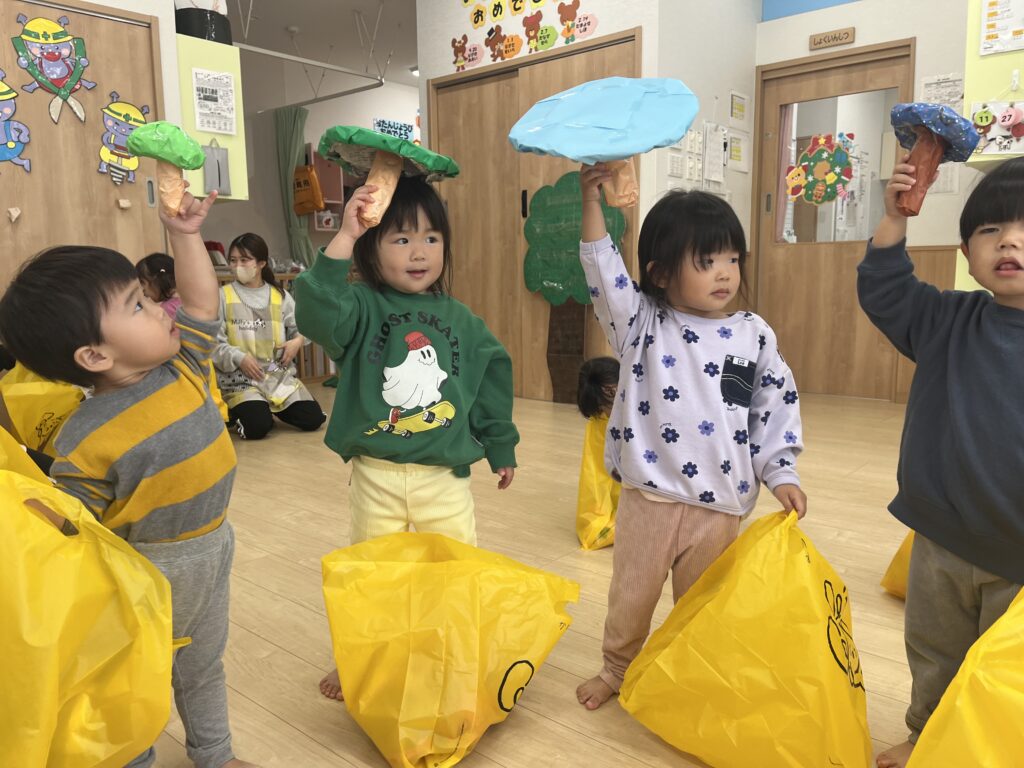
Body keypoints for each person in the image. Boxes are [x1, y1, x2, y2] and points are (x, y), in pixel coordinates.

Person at [0, 188, 258, 768]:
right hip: (147, 569)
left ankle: (215, 755)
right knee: (133, 670)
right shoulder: (85, 436)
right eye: (137, 306)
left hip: (214, 544)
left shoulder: (182, 363)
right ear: (94, 357)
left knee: (202, 663)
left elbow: (201, 303)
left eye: (146, 297)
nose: (161, 308)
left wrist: (185, 235)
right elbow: (76, 527)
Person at [574, 164, 807, 710]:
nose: (724, 273)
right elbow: (603, 271)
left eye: (731, 259)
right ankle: (616, 668)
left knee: (703, 603)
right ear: (659, 273)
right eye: (706, 262)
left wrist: (782, 471)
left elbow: (768, 407)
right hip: (650, 498)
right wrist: (591, 202)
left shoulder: (751, 335)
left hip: (720, 506)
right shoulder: (640, 323)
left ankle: (694, 672)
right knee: (631, 596)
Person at [293, 174, 519, 701]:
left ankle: (458, 652)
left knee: (457, 571)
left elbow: (491, 381)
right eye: (401, 238)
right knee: (373, 575)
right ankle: (361, 656)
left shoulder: (463, 320)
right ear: (372, 248)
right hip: (376, 475)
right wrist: (345, 235)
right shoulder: (359, 306)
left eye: (431, 238)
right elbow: (315, 311)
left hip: (444, 478)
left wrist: (500, 444)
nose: (419, 252)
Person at [859, 155, 1024, 768]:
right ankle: (925, 732)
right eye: (990, 229)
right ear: (965, 252)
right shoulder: (948, 319)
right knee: (935, 651)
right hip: (941, 539)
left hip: (1020, 554)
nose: (1009, 240)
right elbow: (884, 290)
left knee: (1006, 670)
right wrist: (893, 217)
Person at [212, 233, 325, 439]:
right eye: (233, 260)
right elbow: (213, 342)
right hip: (240, 379)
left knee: (313, 419)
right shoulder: (222, 296)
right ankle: (240, 412)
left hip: (276, 374)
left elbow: (302, 328)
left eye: (244, 260)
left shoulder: (280, 295)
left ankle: (265, 407)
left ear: (261, 263)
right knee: (257, 427)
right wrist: (239, 357)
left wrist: (297, 341)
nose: (237, 266)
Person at [136, 251, 182, 318]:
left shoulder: (166, 310)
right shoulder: (187, 298)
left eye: (142, 282)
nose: (142, 289)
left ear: (156, 280)